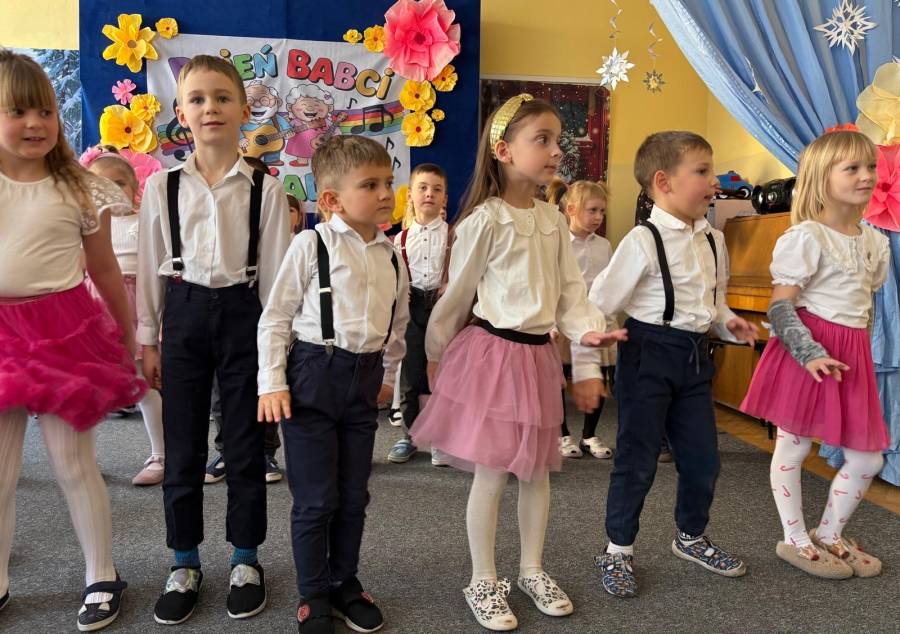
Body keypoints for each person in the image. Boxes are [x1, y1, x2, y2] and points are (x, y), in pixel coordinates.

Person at [411, 94, 625, 631]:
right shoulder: (485, 220)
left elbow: (571, 295)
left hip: (536, 359)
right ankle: (483, 578)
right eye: (542, 140)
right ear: (504, 151)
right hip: (492, 356)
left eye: (558, 140)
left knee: (537, 472)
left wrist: (588, 338)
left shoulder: (553, 220)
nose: (556, 151)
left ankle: (532, 568)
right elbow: (456, 297)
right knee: (493, 473)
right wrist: (435, 355)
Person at [137, 54, 291, 624]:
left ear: (244, 110)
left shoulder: (265, 189)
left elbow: (276, 280)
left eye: (223, 98)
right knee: (182, 446)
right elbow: (151, 266)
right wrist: (148, 339)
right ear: (181, 113)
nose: (210, 108)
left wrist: (277, 355)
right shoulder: (162, 187)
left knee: (246, 445)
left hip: (244, 314)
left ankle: (246, 558)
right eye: (197, 99)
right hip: (183, 314)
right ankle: (184, 561)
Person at [0, 49, 146, 631]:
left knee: (72, 461)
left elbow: (105, 267)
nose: (35, 123)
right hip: (2, 334)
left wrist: (128, 334)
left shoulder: (78, 188)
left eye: (45, 111)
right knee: (1, 470)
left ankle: (101, 573)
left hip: (62, 329)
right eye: (17, 112)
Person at [583, 131, 757, 598]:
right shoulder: (643, 240)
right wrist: (590, 355)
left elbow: (712, 304)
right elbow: (600, 301)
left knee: (703, 460)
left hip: (695, 359)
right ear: (663, 182)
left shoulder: (715, 240)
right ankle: (618, 548)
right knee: (637, 459)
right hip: (648, 355)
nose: (715, 181)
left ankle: (691, 536)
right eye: (702, 171)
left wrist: (729, 324)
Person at [258, 135, 409, 634]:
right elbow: (275, 318)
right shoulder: (311, 245)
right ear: (331, 199)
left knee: (353, 495)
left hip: (363, 382)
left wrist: (388, 378)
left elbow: (398, 325)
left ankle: (345, 581)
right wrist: (271, 383)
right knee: (316, 499)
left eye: (388, 181)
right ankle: (313, 592)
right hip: (311, 379)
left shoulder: (392, 255)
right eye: (370, 185)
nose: (386, 193)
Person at [741, 130, 889, 579]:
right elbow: (780, 306)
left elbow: (864, 306)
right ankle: (795, 537)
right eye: (853, 168)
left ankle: (829, 532)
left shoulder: (874, 241)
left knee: (867, 458)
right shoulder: (806, 237)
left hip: (851, 356)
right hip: (808, 352)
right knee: (795, 445)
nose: (867, 176)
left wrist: (861, 349)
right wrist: (808, 353)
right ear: (822, 178)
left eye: (870, 167)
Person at [80, 144, 165, 486]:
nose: (110, 191)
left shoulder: (143, 222)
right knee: (89, 389)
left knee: (143, 384)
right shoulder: (85, 228)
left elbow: (156, 269)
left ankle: (161, 454)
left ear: (134, 187)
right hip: (94, 308)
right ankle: (84, 460)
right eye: (100, 185)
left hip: (135, 304)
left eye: (119, 183)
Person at [387, 163, 451, 465]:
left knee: (443, 377)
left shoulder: (454, 236)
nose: (429, 194)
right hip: (412, 311)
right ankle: (409, 436)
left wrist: (450, 284)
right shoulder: (399, 240)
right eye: (422, 188)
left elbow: (465, 272)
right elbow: (391, 278)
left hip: (443, 309)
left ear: (444, 198)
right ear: (410, 195)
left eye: (437, 189)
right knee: (410, 375)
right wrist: (401, 289)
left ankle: (442, 439)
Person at [547, 179, 615, 460]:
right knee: (558, 378)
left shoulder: (605, 246)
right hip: (564, 320)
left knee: (596, 375)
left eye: (602, 211)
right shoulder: (557, 242)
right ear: (571, 209)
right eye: (592, 210)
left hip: (595, 321)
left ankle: (589, 435)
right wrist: (551, 324)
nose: (598, 217)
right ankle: (562, 434)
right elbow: (550, 284)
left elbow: (610, 284)